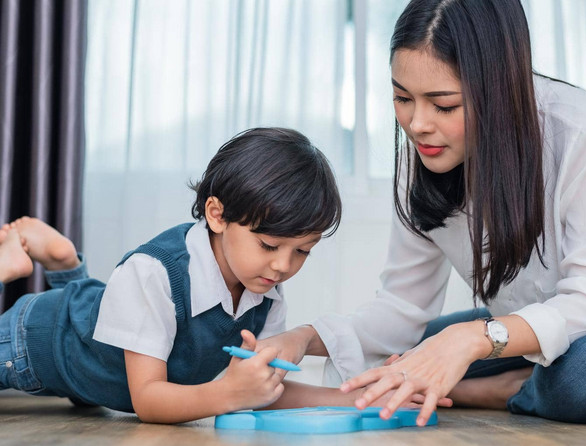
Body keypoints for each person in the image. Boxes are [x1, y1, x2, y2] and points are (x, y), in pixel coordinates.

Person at [259, 0, 586, 426]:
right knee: (411, 353)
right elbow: (400, 310)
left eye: (444, 105)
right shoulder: (425, 154)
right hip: (539, 329)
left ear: (499, 89)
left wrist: (471, 339)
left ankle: (504, 391)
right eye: (402, 98)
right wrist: (301, 339)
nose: (417, 124)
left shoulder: (577, 129)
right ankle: (529, 383)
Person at [0, 127, 358, 424]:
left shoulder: (265, 288)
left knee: (95, 337)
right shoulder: (153, 272)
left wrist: (358, 398)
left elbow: (266, 388)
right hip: (32, 341)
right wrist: (227, 392)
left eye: (302, 251)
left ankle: (66, 265)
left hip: (92, 372)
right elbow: (149, 400)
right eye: (268, 245)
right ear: (217, 215)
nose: (283, 266)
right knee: (83, 334)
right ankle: (13, 266)